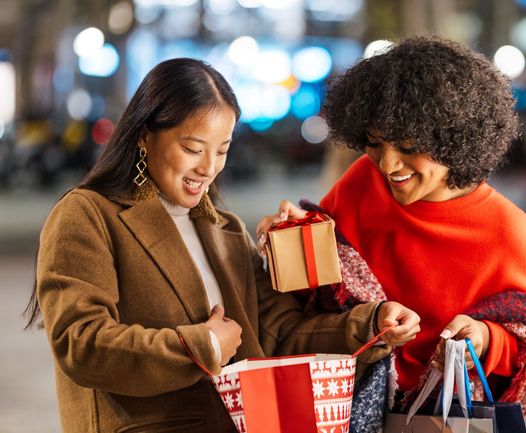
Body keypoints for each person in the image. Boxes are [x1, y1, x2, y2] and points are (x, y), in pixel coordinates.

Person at [23, 58, 420, 433]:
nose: (209, 167)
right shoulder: (88, 214)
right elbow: (82, 344)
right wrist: (203, 344)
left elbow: (278, 333)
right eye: (193, 149)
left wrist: (370, 324)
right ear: (145, 136)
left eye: (223, 150)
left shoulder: (224, 228)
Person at [256, 36, 526, 420]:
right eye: (374, 143)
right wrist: (290, 237)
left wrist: (486, 339)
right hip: (340, 413)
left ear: (454, 137)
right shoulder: (361, 183)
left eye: (407, 147)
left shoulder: (511, 235)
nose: (388, 165)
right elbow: (311, 296)